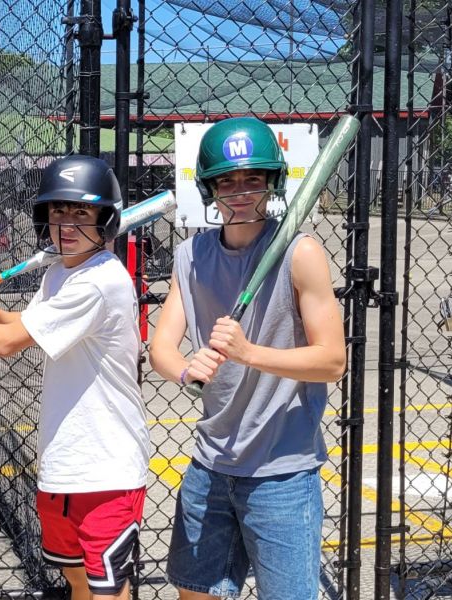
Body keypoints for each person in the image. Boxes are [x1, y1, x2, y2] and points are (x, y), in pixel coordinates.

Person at [0, 155, 149, 600]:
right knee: (77, 580)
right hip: (64, 462)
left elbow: (8, 345)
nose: (67, 223)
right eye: (58, 211)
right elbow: (27, 328)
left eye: (81, 212)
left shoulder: (98, 281)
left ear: (105, 219)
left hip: (106, 468)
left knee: (108, 589)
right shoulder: (62, 272)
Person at [148, 117, 346, 600]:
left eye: (252, 179)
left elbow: (332, 360)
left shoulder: (300, 253)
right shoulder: (190, 255)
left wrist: (249, 353)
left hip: (281, 470)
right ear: (210, 187)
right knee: (195, 592)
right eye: (227, 181)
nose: (239, 192)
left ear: (271, 183)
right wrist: (185, 369)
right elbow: (160, 349)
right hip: (211, 462)